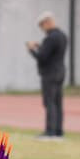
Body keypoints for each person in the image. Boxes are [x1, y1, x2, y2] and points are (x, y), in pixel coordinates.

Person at [26, 11, 68, 139]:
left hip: (50, 73)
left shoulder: (50, 38)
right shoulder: (62, 36)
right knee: (58, 103)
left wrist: (31, 50)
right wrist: (40, 46)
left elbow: (42, 57)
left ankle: (50, 131)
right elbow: (52, 52)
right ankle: (58, 131)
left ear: (47, 22)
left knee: (49, 102)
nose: (42, 29)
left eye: (42, 25)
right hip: (60, 72)